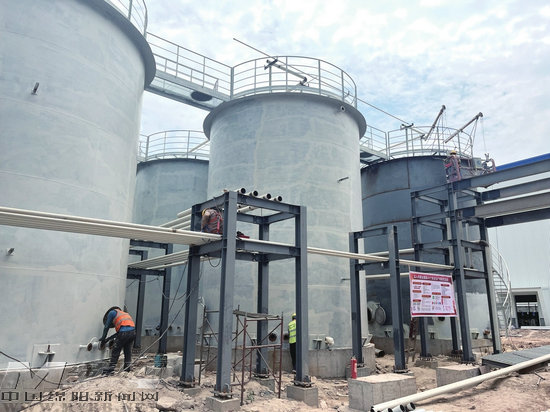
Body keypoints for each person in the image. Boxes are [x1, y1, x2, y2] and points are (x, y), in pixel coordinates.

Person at [100, 306, 136, 374]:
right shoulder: (124, 314)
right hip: (133, 333)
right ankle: (127, 367)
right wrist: (108, 339)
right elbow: (121, 332)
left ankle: (111, 368)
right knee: (127, 350)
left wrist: (103, 338)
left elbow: (106, 326)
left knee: (116, 348)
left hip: (124, 333)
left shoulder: (111, 313)